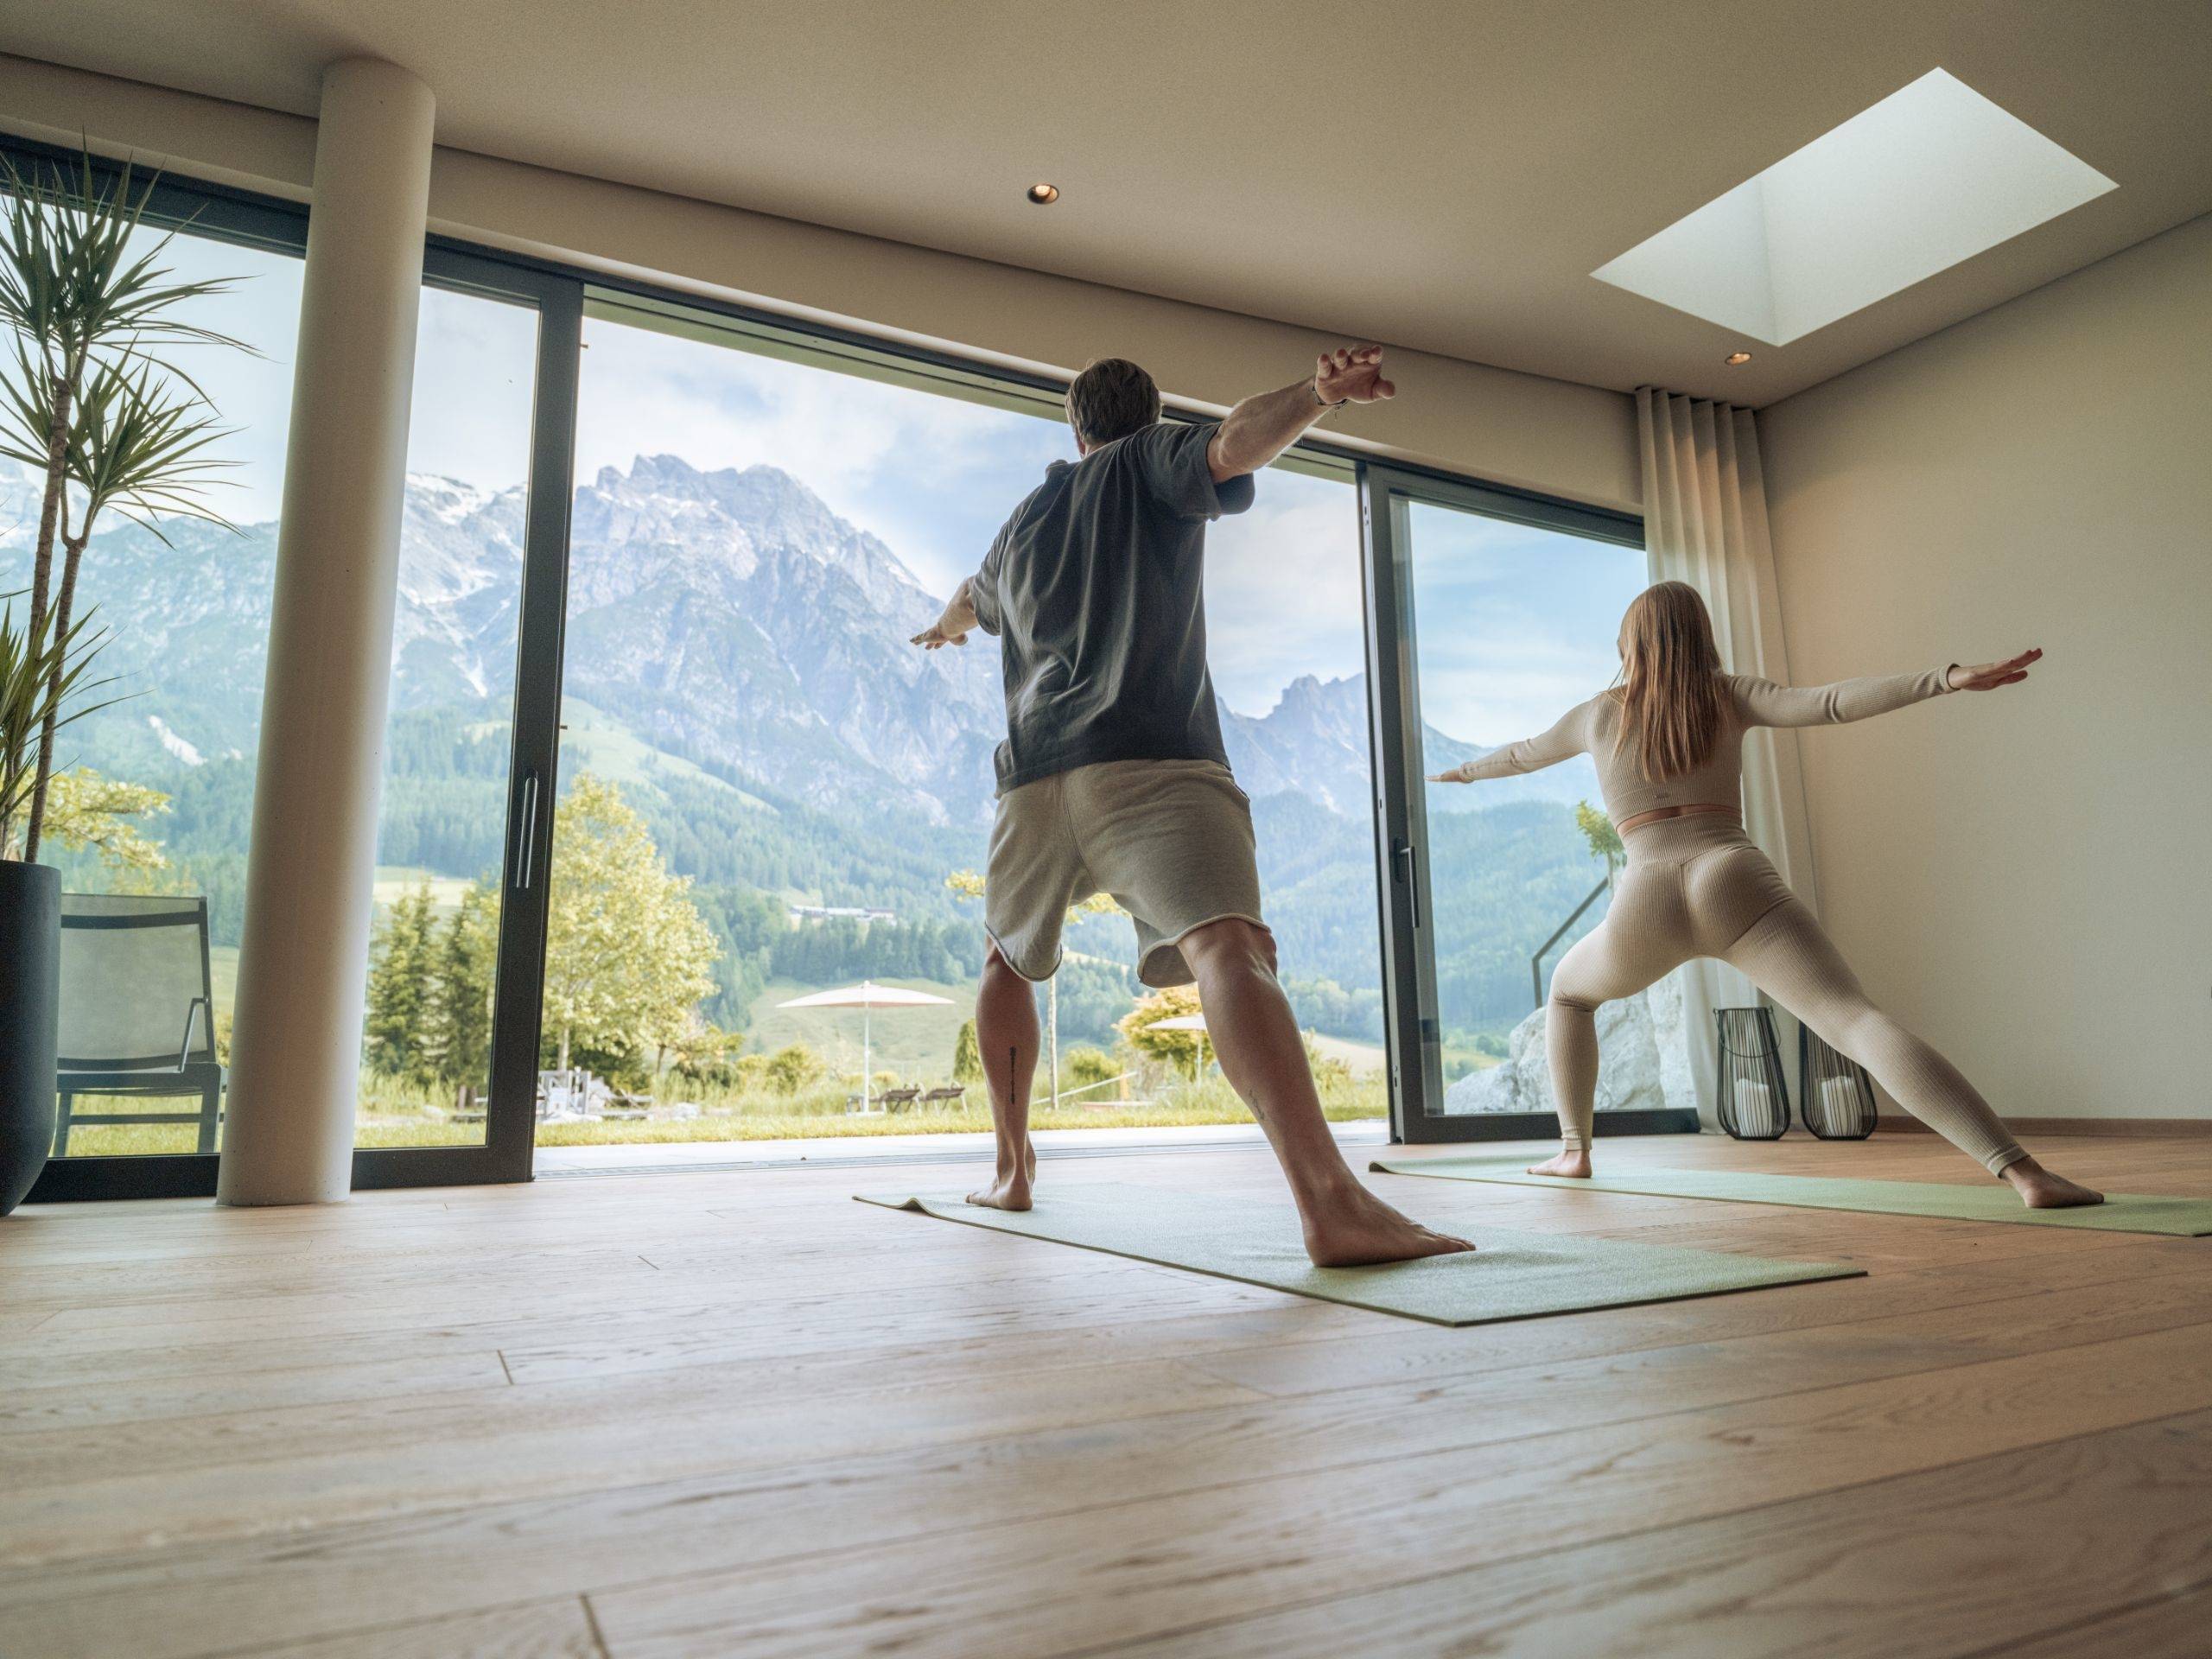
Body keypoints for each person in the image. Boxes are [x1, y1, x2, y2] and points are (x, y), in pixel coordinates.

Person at [912, 347, 1473, 1266]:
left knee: (1004, 961)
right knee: (1229, 947)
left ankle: (1012, 1172)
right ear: (1143, 420)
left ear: (1074, 426)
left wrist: (943, 626)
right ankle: (1330, 1204)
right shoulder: (1144, 462)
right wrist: (1317, 395)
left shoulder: (1019, 525)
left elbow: (971, 601)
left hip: (1030, 779)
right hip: (1148, 760)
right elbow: (1231, 446)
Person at [1429, 579, 2101, 1209]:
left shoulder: (1597, 716)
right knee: (1856, 1023)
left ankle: (1574, 1153)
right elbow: (1832, 702)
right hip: (1731, 876)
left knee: (1569, 996)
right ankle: (2024, 1172)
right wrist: (1947, 679)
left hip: (1646, 895)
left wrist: (1462, 773)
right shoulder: (1727, 694)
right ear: (1701, 637)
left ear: (1629, 645)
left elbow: (1520, 754)